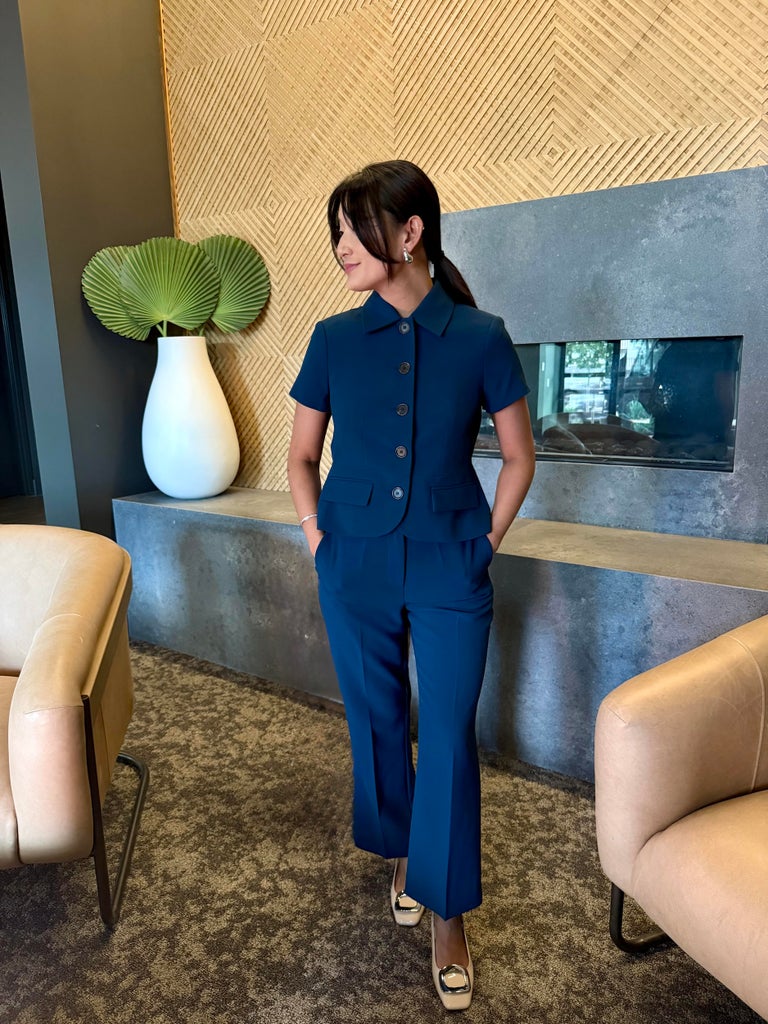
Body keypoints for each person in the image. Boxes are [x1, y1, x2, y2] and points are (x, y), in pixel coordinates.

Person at [287, 160, 535, 1010]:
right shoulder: (331, 339)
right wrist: (318, 539)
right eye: (336, 231)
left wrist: (485, 541)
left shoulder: (480, 336)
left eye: (354, 229)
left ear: (410, 232)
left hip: (449, 559)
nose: (340, 247)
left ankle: (447, 908)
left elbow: (519, 455)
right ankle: (401, 854)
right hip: (351, 559)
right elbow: (300, 456)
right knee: (377, 717)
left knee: (451, 734)